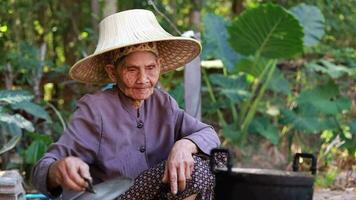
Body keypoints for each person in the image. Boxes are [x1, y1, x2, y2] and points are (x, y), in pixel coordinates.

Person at [31, 9, 220, 200]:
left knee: (218, 161)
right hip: (114, 197)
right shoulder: (95, 109)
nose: (143, 79)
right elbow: (44, 167)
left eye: (150, 68)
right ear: (113, 73)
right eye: (132, 69)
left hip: (159, 194)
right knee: (198, 170)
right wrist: (58, 170)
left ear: (159, 66)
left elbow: (208, 134)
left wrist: (184, 145)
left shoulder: (163, 103)